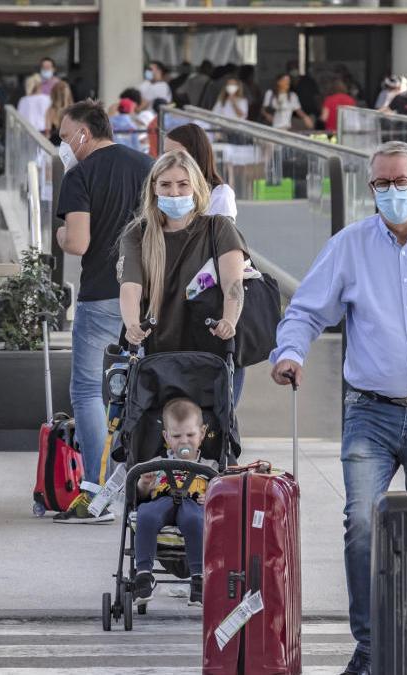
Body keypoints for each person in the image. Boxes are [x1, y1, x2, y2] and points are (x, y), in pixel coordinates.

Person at [270, 141, 407, 675]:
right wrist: (290, 354)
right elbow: (305, 311)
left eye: (402, 182)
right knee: (362, 525)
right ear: (370, 187)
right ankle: (372, 646)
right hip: (370, 412)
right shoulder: (349, 246)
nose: (393, 192)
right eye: (382, 184)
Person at [52, 100, 154, 524]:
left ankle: (96, 491)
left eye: (64, 136)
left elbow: (78, 242)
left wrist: (59, 233)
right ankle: (144, 486)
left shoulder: (79, 175)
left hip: (100, 296)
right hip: (148, 297)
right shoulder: (149, 166)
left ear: (85, 133)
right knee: (143, 391)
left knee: (89, 391)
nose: (63, 145)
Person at [117, 150, 246, 356]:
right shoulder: (137, 234)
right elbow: (130, 287)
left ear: (195, 186)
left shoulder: (219, 228)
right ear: (154, 188)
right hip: (155, 354)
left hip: (212, 351)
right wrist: (132, 325)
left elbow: (233, 283)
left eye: (183, 184)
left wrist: (229, 320)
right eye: (165, 184)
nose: (174, 192)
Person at [131, 397, 210, 609]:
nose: (184, 441)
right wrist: (144, 484)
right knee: (145, 513)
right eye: (177, 436)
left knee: (195, 520)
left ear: (202, 434)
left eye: (190, 435)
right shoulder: (157, 464)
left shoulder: (210, 467)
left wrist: (211, 497)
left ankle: (198, 578)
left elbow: (223, 495)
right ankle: (144, 575)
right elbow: (142, 496)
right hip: (162, 501)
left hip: (193, 505)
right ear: (166, 437)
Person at [164, 123, 236, 219]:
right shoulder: (163, 191)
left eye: (175, 154)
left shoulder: (220, 194)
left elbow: (222, 233)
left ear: (195, 155)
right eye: (165, 154)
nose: (166, 160)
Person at [45, 79, 74, 145]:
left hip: (54, 145)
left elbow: (48, 132)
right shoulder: (73, 111)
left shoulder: (50, 110)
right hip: (70, 146)